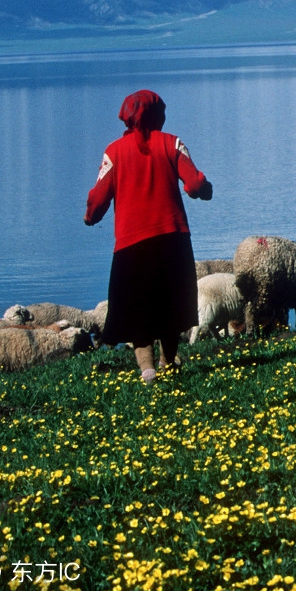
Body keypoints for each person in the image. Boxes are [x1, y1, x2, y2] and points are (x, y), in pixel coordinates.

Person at [85, 90, 213, 384]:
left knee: (138, 307)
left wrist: (90, 217)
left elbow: (99, 198)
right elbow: (194, 184)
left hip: (131, 245)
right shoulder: (173, 143)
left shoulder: (113, 152)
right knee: (171, 304)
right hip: (172, 238)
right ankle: (169, 361)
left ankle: (147, 370)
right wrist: (204, 190)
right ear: (157, 115)